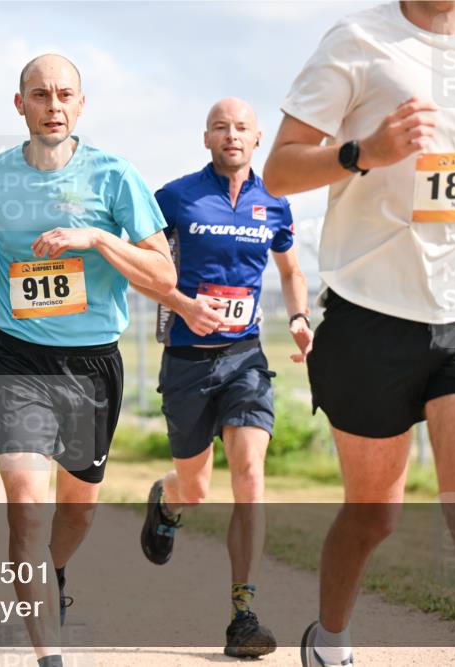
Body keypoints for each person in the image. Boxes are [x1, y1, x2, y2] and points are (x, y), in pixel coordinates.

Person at [262, 2, 455, 666]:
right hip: (372, 314)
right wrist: (364, 152)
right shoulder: (359, 40)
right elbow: (278, 172)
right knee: (374, 515)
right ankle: (330, 641)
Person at [0, 54, 176, 667]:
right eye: (40, 95)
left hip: (93, 363)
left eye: (64, 94)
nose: (53, 106)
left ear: (81, 103)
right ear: (19, 104)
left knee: (79, 509)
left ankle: (53, 578)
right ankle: (50, 656)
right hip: (17, 356)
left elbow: (162, 273)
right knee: (27, 506)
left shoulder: (115, 175)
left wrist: (95, 238)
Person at [136, 97, 312, 659]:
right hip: (188, 361)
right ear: (206, 137)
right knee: (197, 488)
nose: (230, 134)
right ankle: (166, 500)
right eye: (220, 126)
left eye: (241, 127)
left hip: (246, 358)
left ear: (258, 139)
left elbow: (290, 269)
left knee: (251, 475)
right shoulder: (175, 197)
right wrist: (183, 304)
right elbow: (146, 267)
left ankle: (244, 613)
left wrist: (301, 317)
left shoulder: (275, 202)